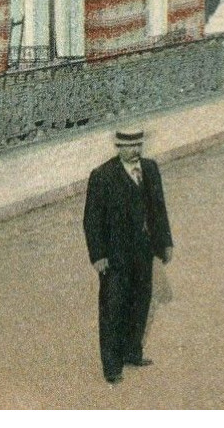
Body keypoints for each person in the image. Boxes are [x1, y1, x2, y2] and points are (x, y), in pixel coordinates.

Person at [83, 129, 173, 385]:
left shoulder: (150, 168)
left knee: (140, 302)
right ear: (118, 147)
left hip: (144, 252)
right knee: (114, 308)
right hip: (115, 256)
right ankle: (112, 366)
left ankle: (133, 352)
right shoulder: (102, 176)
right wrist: (98, 255)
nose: (135, 150)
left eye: (138, 145)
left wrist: (165, 243)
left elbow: (159, 207)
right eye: (129, 146)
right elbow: (91, 220)